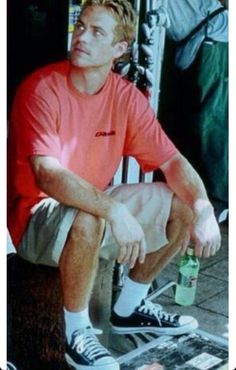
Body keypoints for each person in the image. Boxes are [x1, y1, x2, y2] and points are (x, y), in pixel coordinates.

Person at [7, 1, 221, 369]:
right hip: (33, 220)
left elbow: (171, 161)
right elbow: (47, 175)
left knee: (182, 205)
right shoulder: (41, 88)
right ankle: (77, 333)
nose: (81, 37)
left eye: (97, 32)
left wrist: (203, 208)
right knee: (89, 217)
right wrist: (113, 210)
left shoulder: (125, 97)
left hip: (93, 208)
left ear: (119, 49)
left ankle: (130, 306)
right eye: (81, 26)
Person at [158, 0, 228, 217]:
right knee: (197, 121)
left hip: (213, 40)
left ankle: (220, 200)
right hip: (205, 39)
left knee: (209, 122)